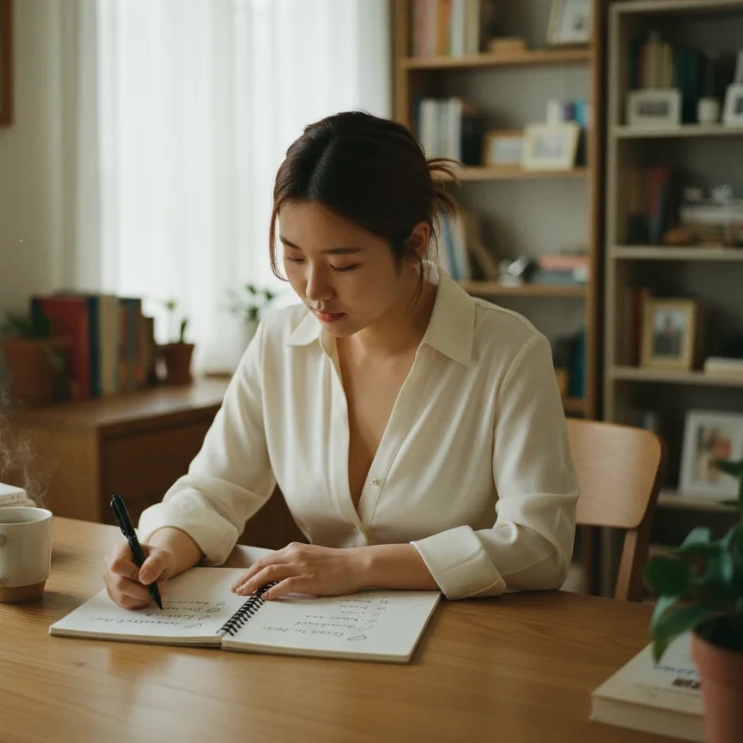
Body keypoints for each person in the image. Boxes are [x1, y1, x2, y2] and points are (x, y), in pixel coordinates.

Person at [104, 111, 579, 608]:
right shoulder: (278, 342)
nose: (313, 290)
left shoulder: (509, 354)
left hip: (468, 642)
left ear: (415, 244)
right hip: (324, 638)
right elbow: (215, 487)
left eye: (343, 264)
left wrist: (358, 567)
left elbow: (540, 546)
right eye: (293, 257)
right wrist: (163, 548)